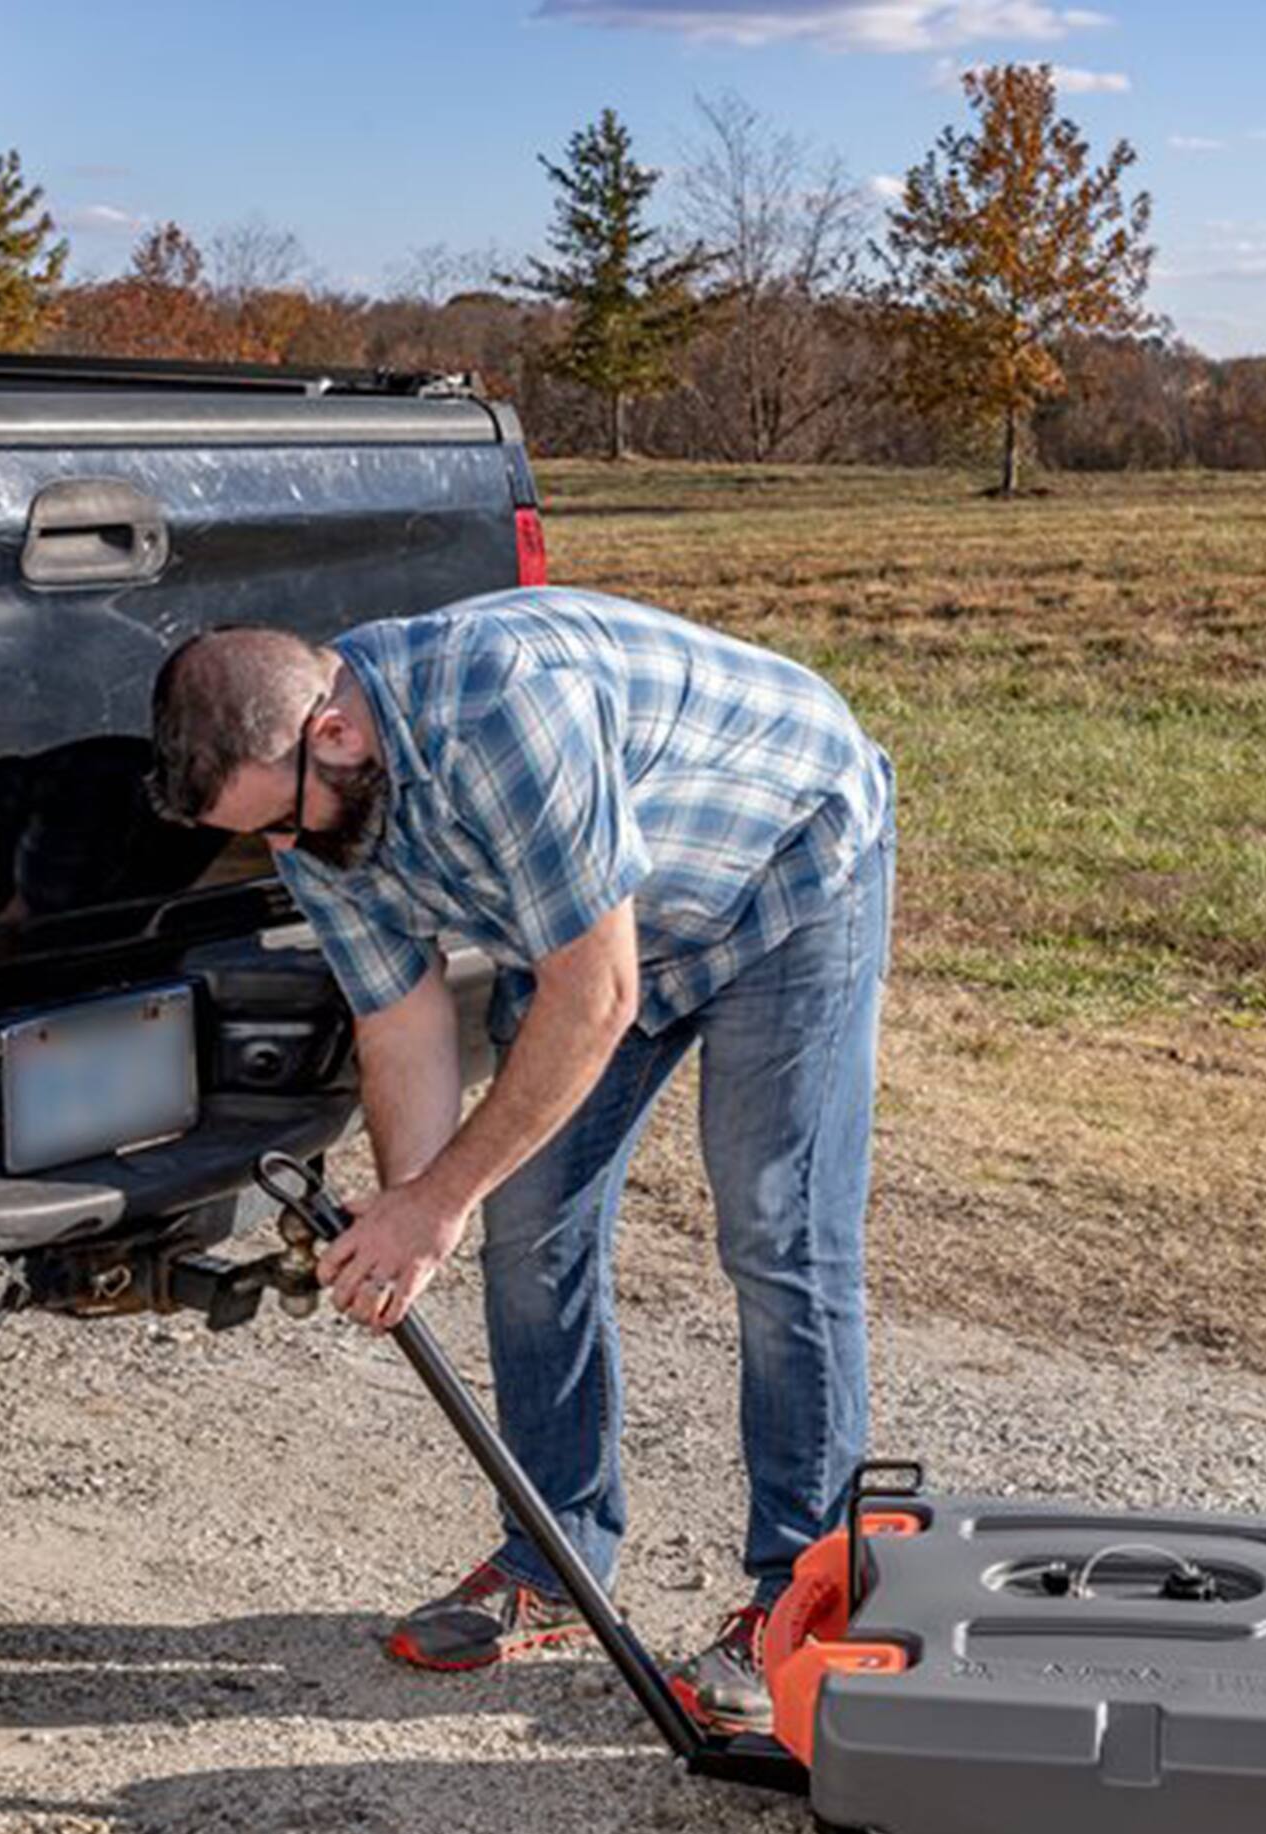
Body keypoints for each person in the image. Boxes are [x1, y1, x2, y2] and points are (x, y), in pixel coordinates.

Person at [148, 586, 893, 1731]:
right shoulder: (318, 803)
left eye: (286, 823)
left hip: (786, 874)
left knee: (773, 1228)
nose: (286, 850)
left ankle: (803, 1592)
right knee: (524, 1228)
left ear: (333, 732)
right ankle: (554, 1554)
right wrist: (413, 1208)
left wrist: (438, 1196)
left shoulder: (501, 708)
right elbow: (400, 1025)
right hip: (594, 931)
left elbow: (597, 993)